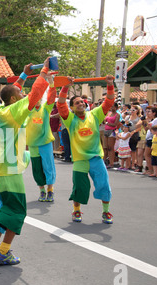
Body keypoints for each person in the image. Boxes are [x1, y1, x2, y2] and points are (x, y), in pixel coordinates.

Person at [0, 58, 51, 265]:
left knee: (5, 209)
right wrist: (44, 71)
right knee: (17, 211)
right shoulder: (12, 111)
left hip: (0, 167)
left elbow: (13, 93)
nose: (22, 95)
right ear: (14, 100)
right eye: (19, 94)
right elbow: (34, 95)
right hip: (9, 170)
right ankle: (4, 252)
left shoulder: (1, 110)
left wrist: (23, 74)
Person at [57, 75, 116, 224]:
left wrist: (110, 84)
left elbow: (109, 101)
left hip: (96, 158)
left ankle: (106, 212)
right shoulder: (69, 119)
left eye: (82, 102)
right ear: (72, 107)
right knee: (80, 187)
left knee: (104, 185)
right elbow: (61, 104)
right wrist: (65, 87)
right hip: (80, 160)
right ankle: (76, 210)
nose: (80, 104)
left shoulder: (95, 115)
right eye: (76, 103)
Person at [25, 70, 57, 202]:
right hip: (33, 144)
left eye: (38, 97)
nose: (36, 100)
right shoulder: (26, 111)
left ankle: (50, 190)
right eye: (33, 97)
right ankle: (42, 190)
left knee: (48, 167)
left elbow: (51, 97)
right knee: (37, 169)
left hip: (45, 142)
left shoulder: (45, 109)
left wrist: (51, 83)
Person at [143, 106, 157, 176]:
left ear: (154, 113)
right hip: (149, 138)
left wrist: (149, 125)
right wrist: (145, 122)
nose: (148, 113)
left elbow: (154, 129)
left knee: (147, 154)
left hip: (153, 139)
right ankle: (150, 169)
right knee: (148, 155)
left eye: (149, 112)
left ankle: (151, 170)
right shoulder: (151, 120)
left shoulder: (156, 120)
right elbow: (146, 129)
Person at [103, 103, 120, 168]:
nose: (111, 108)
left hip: (112, 131)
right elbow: (104, 120)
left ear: (115, 107)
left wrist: (107, 123)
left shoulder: (117, 115)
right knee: (106, 147)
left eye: (112, 107)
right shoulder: (109, 113)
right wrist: (107, 123)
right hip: (106, 130)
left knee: (111, 148)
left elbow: (115, 124)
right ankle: (106, 160)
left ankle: (111, 162)